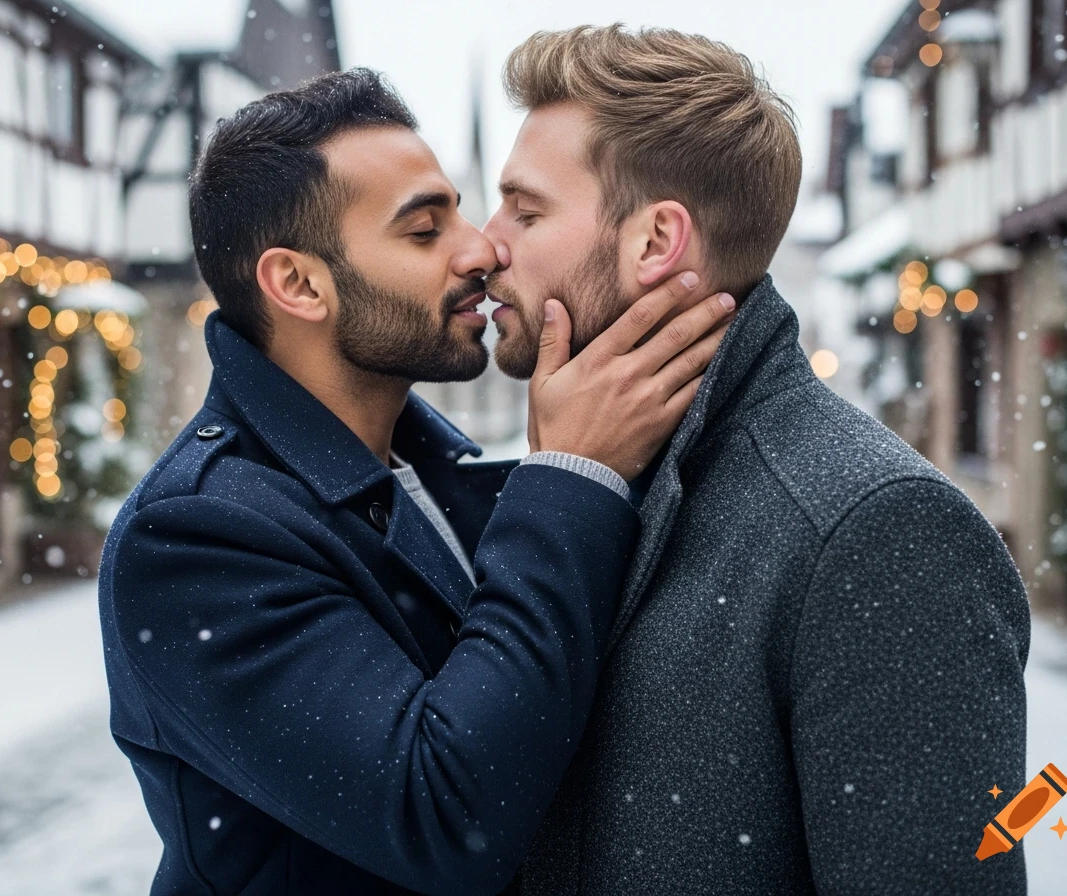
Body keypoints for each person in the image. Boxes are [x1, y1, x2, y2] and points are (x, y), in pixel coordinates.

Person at [98, 68, 732, 895]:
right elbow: (448, 815)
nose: (481, 249)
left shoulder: (429, 471)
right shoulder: (194, 536)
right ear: (297, 284)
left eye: (460, 212)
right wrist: (575, 476)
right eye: (424, 231)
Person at [483, 26, 1031, 895]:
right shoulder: (575, 483)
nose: (486, 246)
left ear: (657, 241)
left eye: (526, 209)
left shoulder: (877, 530)